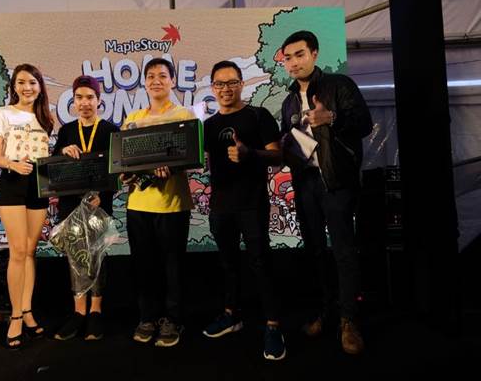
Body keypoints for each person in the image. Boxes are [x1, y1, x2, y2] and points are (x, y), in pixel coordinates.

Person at [279, 30, 373, 354]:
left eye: (300, 54)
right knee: (316, 252)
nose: (294, 62)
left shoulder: (339, 85)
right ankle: (326, 311)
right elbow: (289, 141)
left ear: (315, 54)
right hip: (305, 183)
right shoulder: (289, 101)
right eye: (288, 57)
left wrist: (331, 117)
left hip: (337, 181)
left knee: (344, 251)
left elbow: (364, 123)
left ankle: (349, 320)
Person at [202, 60, 285, 361]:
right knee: (228, 264)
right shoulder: (208, 126)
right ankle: (231, 315)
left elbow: (278, 155)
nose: (226, 89)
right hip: (220, 205)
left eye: (231, 82)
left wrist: (249, 154)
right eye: (219, 84)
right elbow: (197, 159)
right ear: (212, 88)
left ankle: (273, 325)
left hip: (252, 203)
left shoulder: (258, 116)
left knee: (261, 263)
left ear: (241, 84)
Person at [121, 58, 195, 347]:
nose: (156, 81)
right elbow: (124, 164)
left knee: (173, 267)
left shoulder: (184, 115)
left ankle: (173, 319)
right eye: (150, 76)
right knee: (143, 266)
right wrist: (125, 175)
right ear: (144, 82)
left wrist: (171, 168)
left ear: (172, 81)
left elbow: (190, 156)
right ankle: (147, 317)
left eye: (162, 75)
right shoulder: (132, 119)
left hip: (172, 205)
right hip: (138, 205)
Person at [0, 63, 54, 349]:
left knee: (30, 250)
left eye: (33, 82)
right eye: (22, 82)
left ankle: (27, 311)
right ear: (14, 86)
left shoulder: (46, 118)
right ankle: (15, 316)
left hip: (39, 185)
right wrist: (12, 164)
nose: (27, 87)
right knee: (16, 252)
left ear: (40, 87)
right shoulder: (2, 113)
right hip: (12, 183)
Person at [51, 75, 119, 341]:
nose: (84, 103)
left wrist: (104, 194)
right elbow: (54, 169)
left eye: (90, 97)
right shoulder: (67, 131)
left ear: (99, 100)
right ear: (73, 101)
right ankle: (78, 312)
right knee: (75, 258)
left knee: (97, 256)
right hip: (71, 206)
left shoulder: (110, 130)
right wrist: (62, 152)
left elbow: (116, 169)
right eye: (79, 98)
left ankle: (96, 312)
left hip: (99, 205)